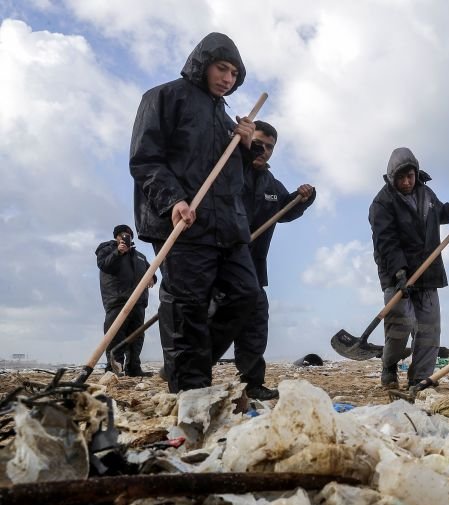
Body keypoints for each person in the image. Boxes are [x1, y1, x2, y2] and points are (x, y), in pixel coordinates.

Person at [129, 32, 260, 393]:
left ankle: (188, 367)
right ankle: (190, 389)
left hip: (227, 227)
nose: (227, 79)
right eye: (222, 68)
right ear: (203, 64)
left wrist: (245, 148)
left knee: (244, 295)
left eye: (234, 73)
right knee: (187, 307)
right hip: (182, 221)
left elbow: (233, 179)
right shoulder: (163, 97)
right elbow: (145, 159)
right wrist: (173, 200)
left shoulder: (225, 117)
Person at [369, 147, 449, 388]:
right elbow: (386, 242)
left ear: (416, 173)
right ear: (392, 177)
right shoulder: (382, 203)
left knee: (429, 330)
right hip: (397, 275)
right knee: (400, 326)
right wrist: (400, 272)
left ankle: (419, 378)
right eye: (401, 178)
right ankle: (389, 367)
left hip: (428, 272)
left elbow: (441, 212)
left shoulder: (426, 193)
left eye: (410, 176)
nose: (406, 182)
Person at [231, 120, 316, 401]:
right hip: (221, 262)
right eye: (258, 143)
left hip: (254, 268)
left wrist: (303, 198)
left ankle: (252, 382)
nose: (263, 150)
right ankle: (187, 374)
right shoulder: (228, 170)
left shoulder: (271, 183)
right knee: (210, 322)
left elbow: (286, 209)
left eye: (269, 147)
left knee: (256, 321)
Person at [95, 225, 155, 376]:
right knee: (116, 336)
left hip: (139, 302)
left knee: (137, 336)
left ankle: (134, 368)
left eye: (128, 234)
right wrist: (118, 252)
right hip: (117, 300)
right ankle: (114, 369)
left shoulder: (140, 256)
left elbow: (151, 272)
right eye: (122, 234)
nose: (125, 237)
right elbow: (104, 265)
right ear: (116, 236)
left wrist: (152, 278)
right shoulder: (107, 249)